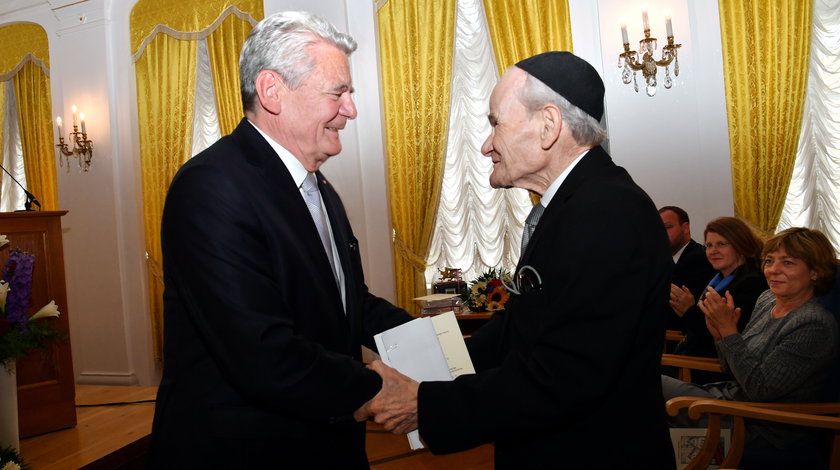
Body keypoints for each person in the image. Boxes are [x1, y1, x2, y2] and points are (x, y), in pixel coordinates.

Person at [356, 51, 675, 468]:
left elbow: (565, 376)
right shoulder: (578, 203)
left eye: (495, 123)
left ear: (548, 125)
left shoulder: (606, 213)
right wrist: (437, 360)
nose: (487, 145)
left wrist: (427, 405)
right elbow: (522, 330)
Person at [147, 11, 412, 468]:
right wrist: (376, 387)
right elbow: (260, 351)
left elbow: (349, 305)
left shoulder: (319, 188)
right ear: (272, 91)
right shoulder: (210, 187)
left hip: (323, 440)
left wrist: (439, 345)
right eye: (339, 93)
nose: (351, 109)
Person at [662, 227, 839, 453]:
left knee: (642, 391)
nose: (773, 271)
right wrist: (720, 338)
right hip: (729, 400)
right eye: (769, 261)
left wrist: (729, 332)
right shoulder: (767, 300)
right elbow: (731, 368)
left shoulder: (813, 324)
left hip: (762, 426)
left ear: (815, 272)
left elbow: (759, 389)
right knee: (638, 384)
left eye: (788, 263)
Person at [669, 217, 767, 383]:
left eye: (721, 244)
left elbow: (726, 340)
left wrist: (689, 311)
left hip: (714, 373)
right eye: (709, 245)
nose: (713, 251)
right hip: (692, 359)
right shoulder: (717, 279)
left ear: (741, 245)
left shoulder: (753, 284)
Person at [660, 206, 716, 333]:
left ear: (685, 228)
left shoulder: (699, 259)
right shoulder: (666, 259)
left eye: (667, 227)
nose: (661, 234)